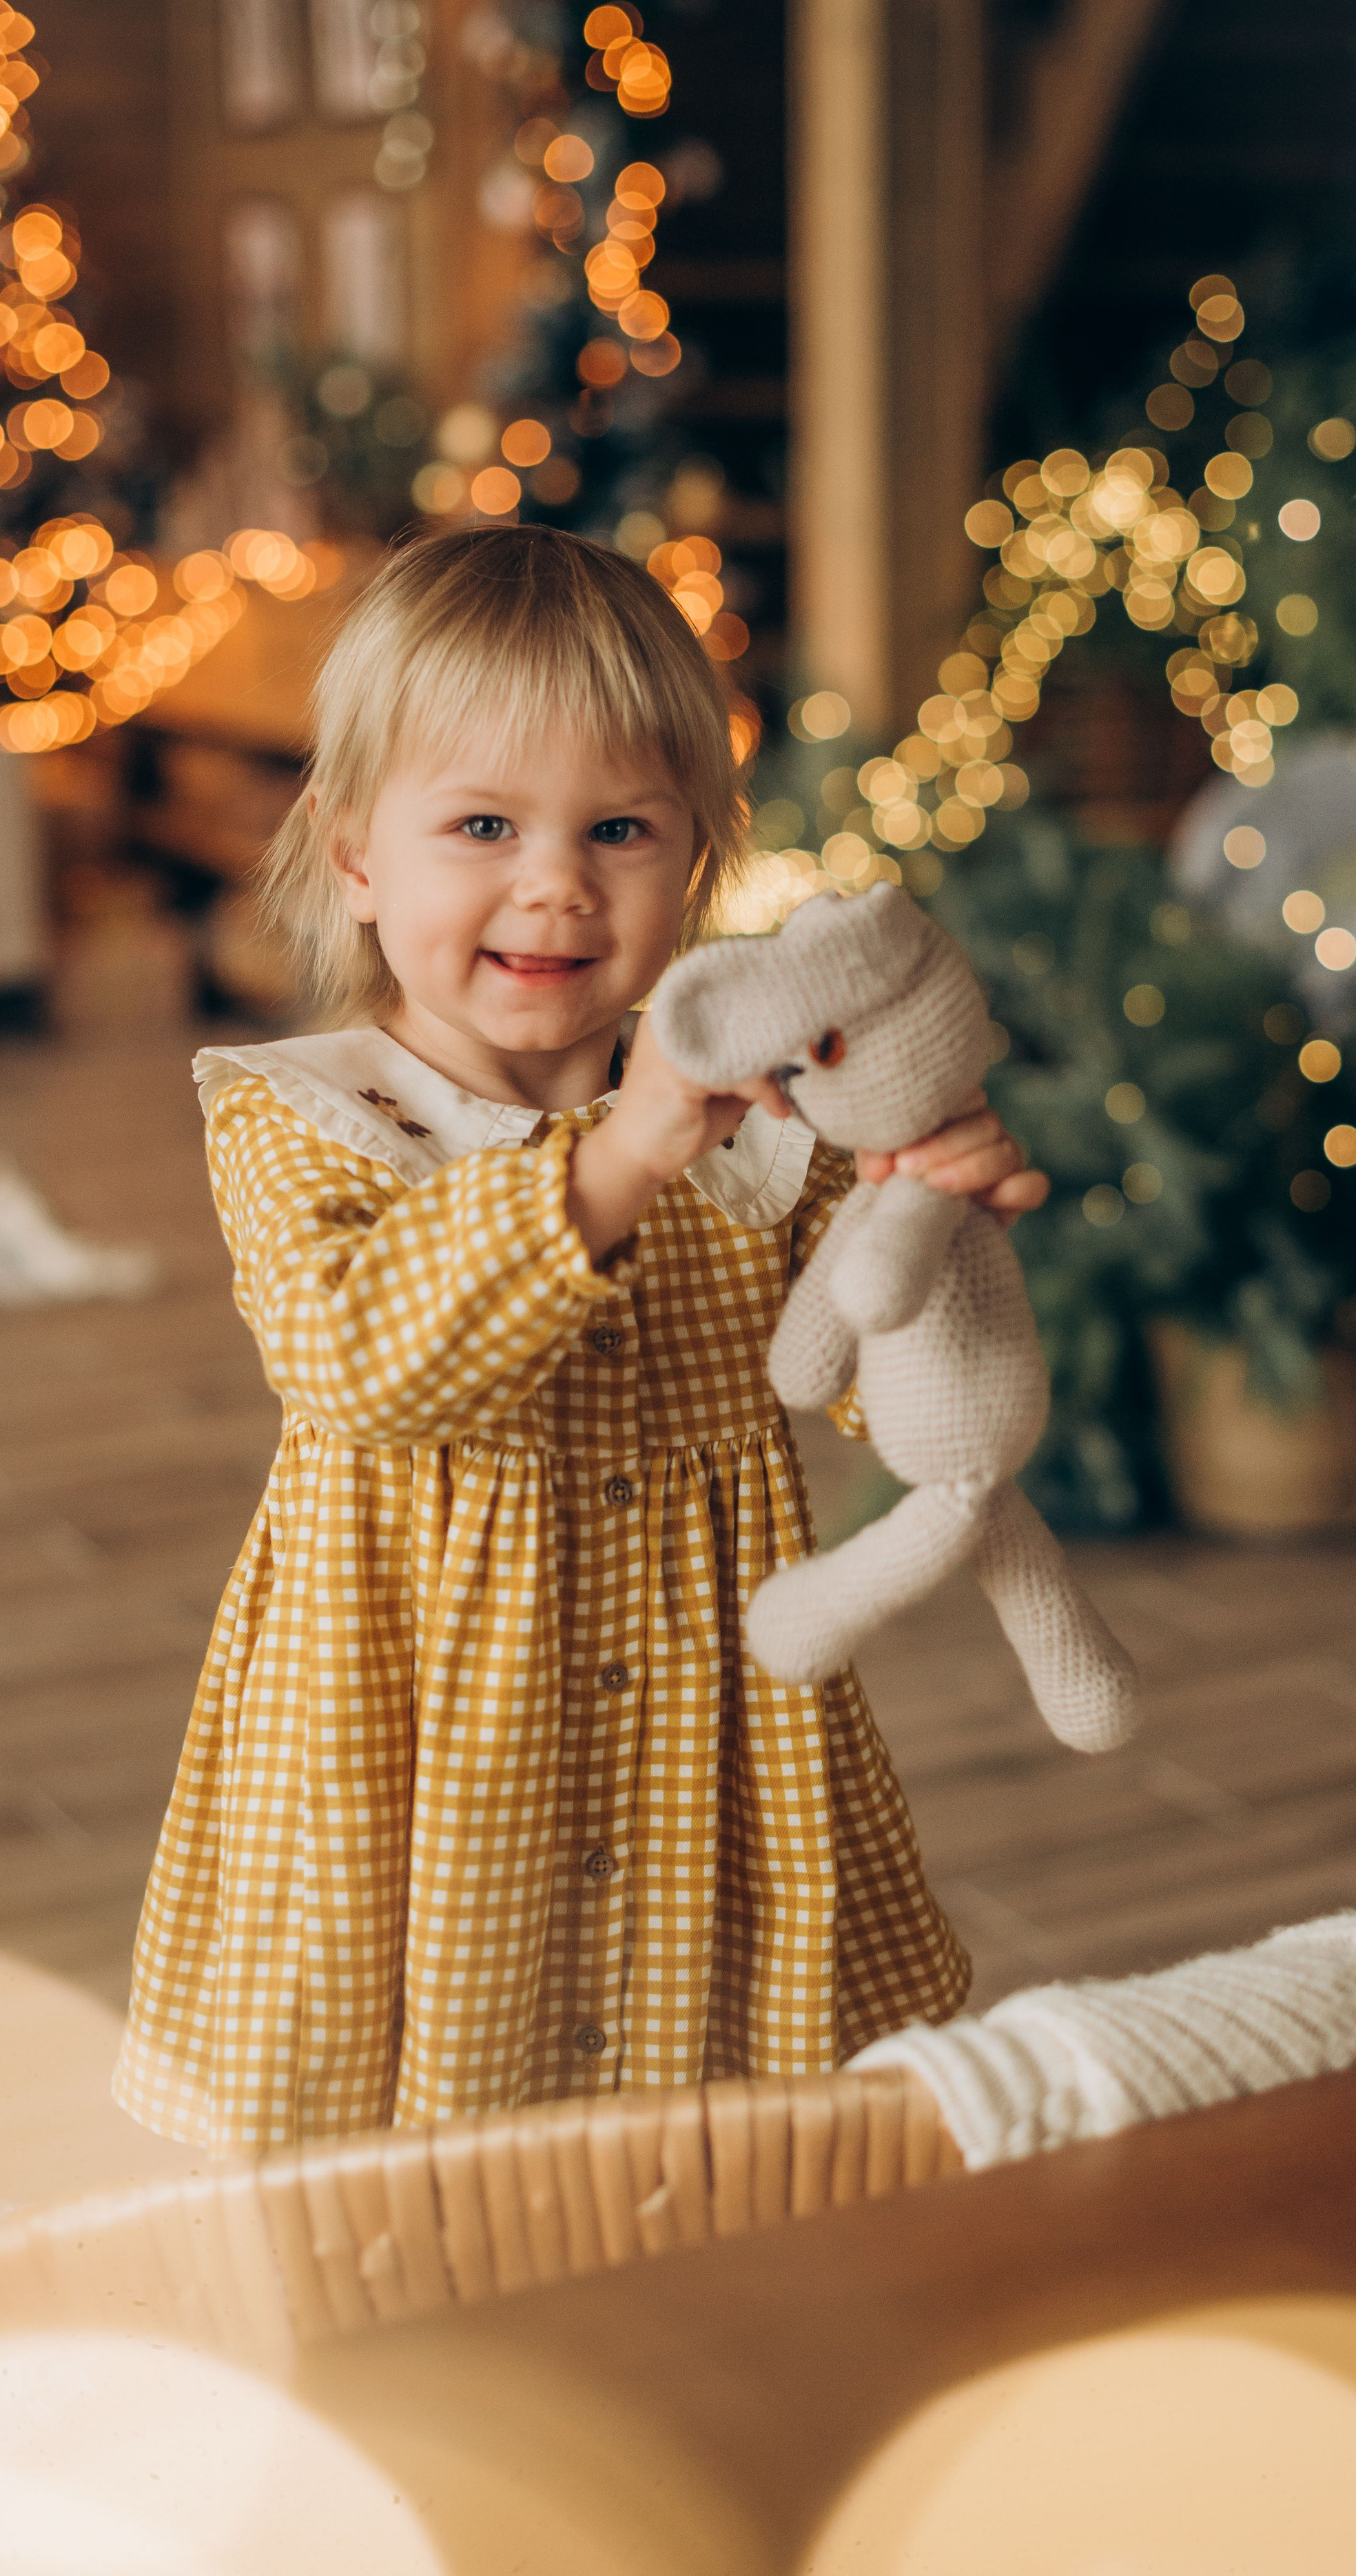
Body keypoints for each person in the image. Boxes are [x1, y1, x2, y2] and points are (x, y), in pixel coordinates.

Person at [113, 526, 1046, 2154]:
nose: (553, 882)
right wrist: (618, 1158)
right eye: (481, 825)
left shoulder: (762, 1133)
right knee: (432, 2159)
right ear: (353, 860)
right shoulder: (308, 1119)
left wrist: (933, 1233)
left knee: (714, 2137)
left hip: (715, 1741)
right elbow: (364, 1366)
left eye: (617, 829)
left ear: (690, 866)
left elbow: (868, 1403)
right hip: (421, 1749)